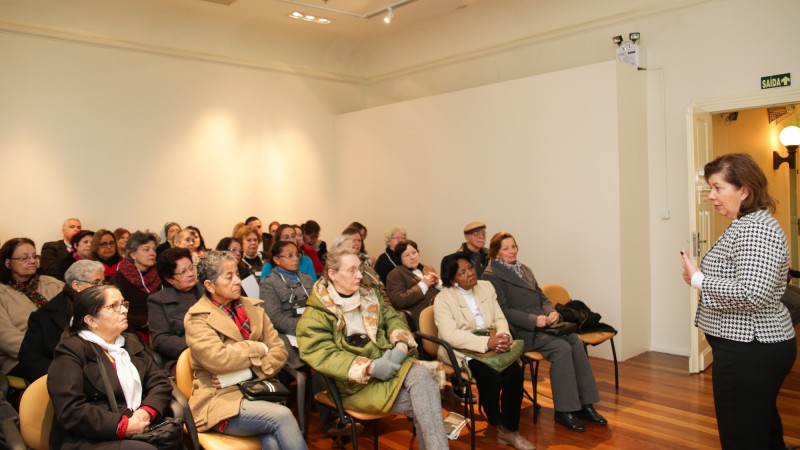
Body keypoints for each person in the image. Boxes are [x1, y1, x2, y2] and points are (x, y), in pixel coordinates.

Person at [680, 153, 796, 450]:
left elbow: (753, 293)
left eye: (718, 188)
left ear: (744, 190)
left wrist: (699, 280)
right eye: (711, 188)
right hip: (748, 349)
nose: (711, 196)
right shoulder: (746, 224)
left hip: (749, 350)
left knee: (742, 436)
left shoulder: (756, 228)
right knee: (760, 426)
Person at [297, 246, 449, 450]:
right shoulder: (315, 315)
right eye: (352, 270)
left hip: (392, 365)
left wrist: (401, 345)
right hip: (354, 386)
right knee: (426, 399)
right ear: (332, 274)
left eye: (360, 269)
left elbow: (394, 318)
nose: (360, 275)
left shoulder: (370, 296)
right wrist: (369, 367)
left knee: (422, 380)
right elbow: (322, 354)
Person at [483, 232, 605, 432]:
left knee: (575, 341)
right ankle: (564, 411)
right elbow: (502, 311)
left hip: (544, 324)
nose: (511, 251)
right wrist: (533, 320)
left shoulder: (524, 269)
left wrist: (551, 312)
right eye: (505, 248)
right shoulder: (491, 275)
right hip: (522, 330)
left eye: (513, 246)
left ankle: (586, 404)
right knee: (562, 348)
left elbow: (542, 296)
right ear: (495, 252)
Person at [184, 251, 306, 449]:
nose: (238, 281)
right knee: (282, 416)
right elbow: (219, 360)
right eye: (229, 276)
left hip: (258, 391)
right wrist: (257, 347)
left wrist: (245, 372)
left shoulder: (254, 308)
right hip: (219, 399)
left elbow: (279, 351)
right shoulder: (197, 317)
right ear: (209, 285)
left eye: (237, 275)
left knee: (273, 442)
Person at [47, 285, 173, 450]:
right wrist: (123, 426)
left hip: (139, 426)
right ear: (91, 320)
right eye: (114, 306)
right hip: (90, 437)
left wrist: (145, 412)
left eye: (123, 304)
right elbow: (70, 409)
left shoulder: (129, 342)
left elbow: (160, 383)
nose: (123, 310)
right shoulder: (71, 350)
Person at [435, 253, 535, 450]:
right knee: (490, 376)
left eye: (470, 268)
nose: (471, 273)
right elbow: (449, 335)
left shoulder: (486, 287)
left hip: (493, 341)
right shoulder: (443, 299)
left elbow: (499, 318)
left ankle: (509, 431)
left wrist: (504, 336)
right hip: (463, 350)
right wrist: (487, 343)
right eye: (462, 272)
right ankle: (495, 419)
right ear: (452, 279)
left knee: (514, 373)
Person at [18, 260, 105, 383]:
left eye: (103, 282)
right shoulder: (45, 316)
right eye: (96, 283)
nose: (102, 288)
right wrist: (69, 374)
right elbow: (31, 360)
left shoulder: (107, 308)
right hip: (68, 380)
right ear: (76, 285)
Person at [0, 238, 64, 378]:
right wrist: (47, 350)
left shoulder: (53, 284)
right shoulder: (2, 293)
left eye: (34, 256)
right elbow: (5, 337)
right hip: (19, 357)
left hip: (62, 350)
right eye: (24, 258)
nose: (32, 261)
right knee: (62, 373)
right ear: (8, 263)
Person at [259, 240, 313, 370]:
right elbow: (274, 317)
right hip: (287, 331)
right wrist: (302, 328)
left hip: (312, 324)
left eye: (297, 255)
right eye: (290, 256)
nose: (296, 259)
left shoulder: (307, 278)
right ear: (277, 260)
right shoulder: (269, 283)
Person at [148, 248, 203, 373]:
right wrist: (197, 346)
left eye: (191, 268)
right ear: (169, 279)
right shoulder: (158, 300)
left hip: (216, 349)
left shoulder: (207, 290)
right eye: (183, 272)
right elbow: (160, 339)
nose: (190, 274)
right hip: (182, 356)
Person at [110, 231, 161, 343]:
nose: (152, 253)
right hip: (132, 332)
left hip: (160, 327)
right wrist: (146, 321)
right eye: (146, 249)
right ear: (133, 255)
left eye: (154, 249)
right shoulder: (119, 279)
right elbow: (115, 311)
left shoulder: (159, 274)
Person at [385, 240, 442, 330]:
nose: (412, 257)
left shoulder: (428, 268)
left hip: (440, 311)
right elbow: (398, 301)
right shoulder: (395, 274)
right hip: (419, 319)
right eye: (407, 255)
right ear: (400, 259)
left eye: (414, 253)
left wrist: (438, 283)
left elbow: (444, 292)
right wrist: (423, 285)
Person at [329, 232, 385, 299]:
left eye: (353, 247)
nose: (353, 250)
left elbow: (383, 295)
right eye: (347, 248)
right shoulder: (327, 293)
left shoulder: (369, 270)